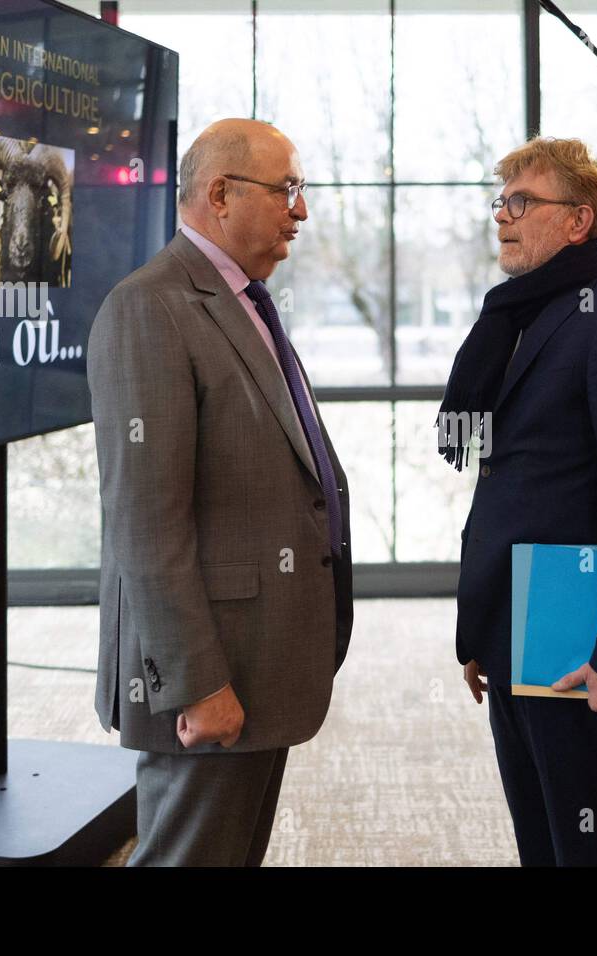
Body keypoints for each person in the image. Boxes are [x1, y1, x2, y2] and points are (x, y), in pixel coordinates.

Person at [86, 119, 353, 865]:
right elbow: (145, 525)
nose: (300, 211)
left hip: (262, 656)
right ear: (221, 194)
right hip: (209, 673)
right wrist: (197, 684)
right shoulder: (151, 307)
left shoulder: (244, 299)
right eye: (287, 190)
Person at [443, 137, 597, 866]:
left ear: (579, 221)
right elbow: (516, 487)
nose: (503, 218)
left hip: (582, 646)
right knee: (544, 844)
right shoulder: (524, 319)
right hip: (520, 631)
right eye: (500, 202)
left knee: (592, 848)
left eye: (523, 203)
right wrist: (486, 629)